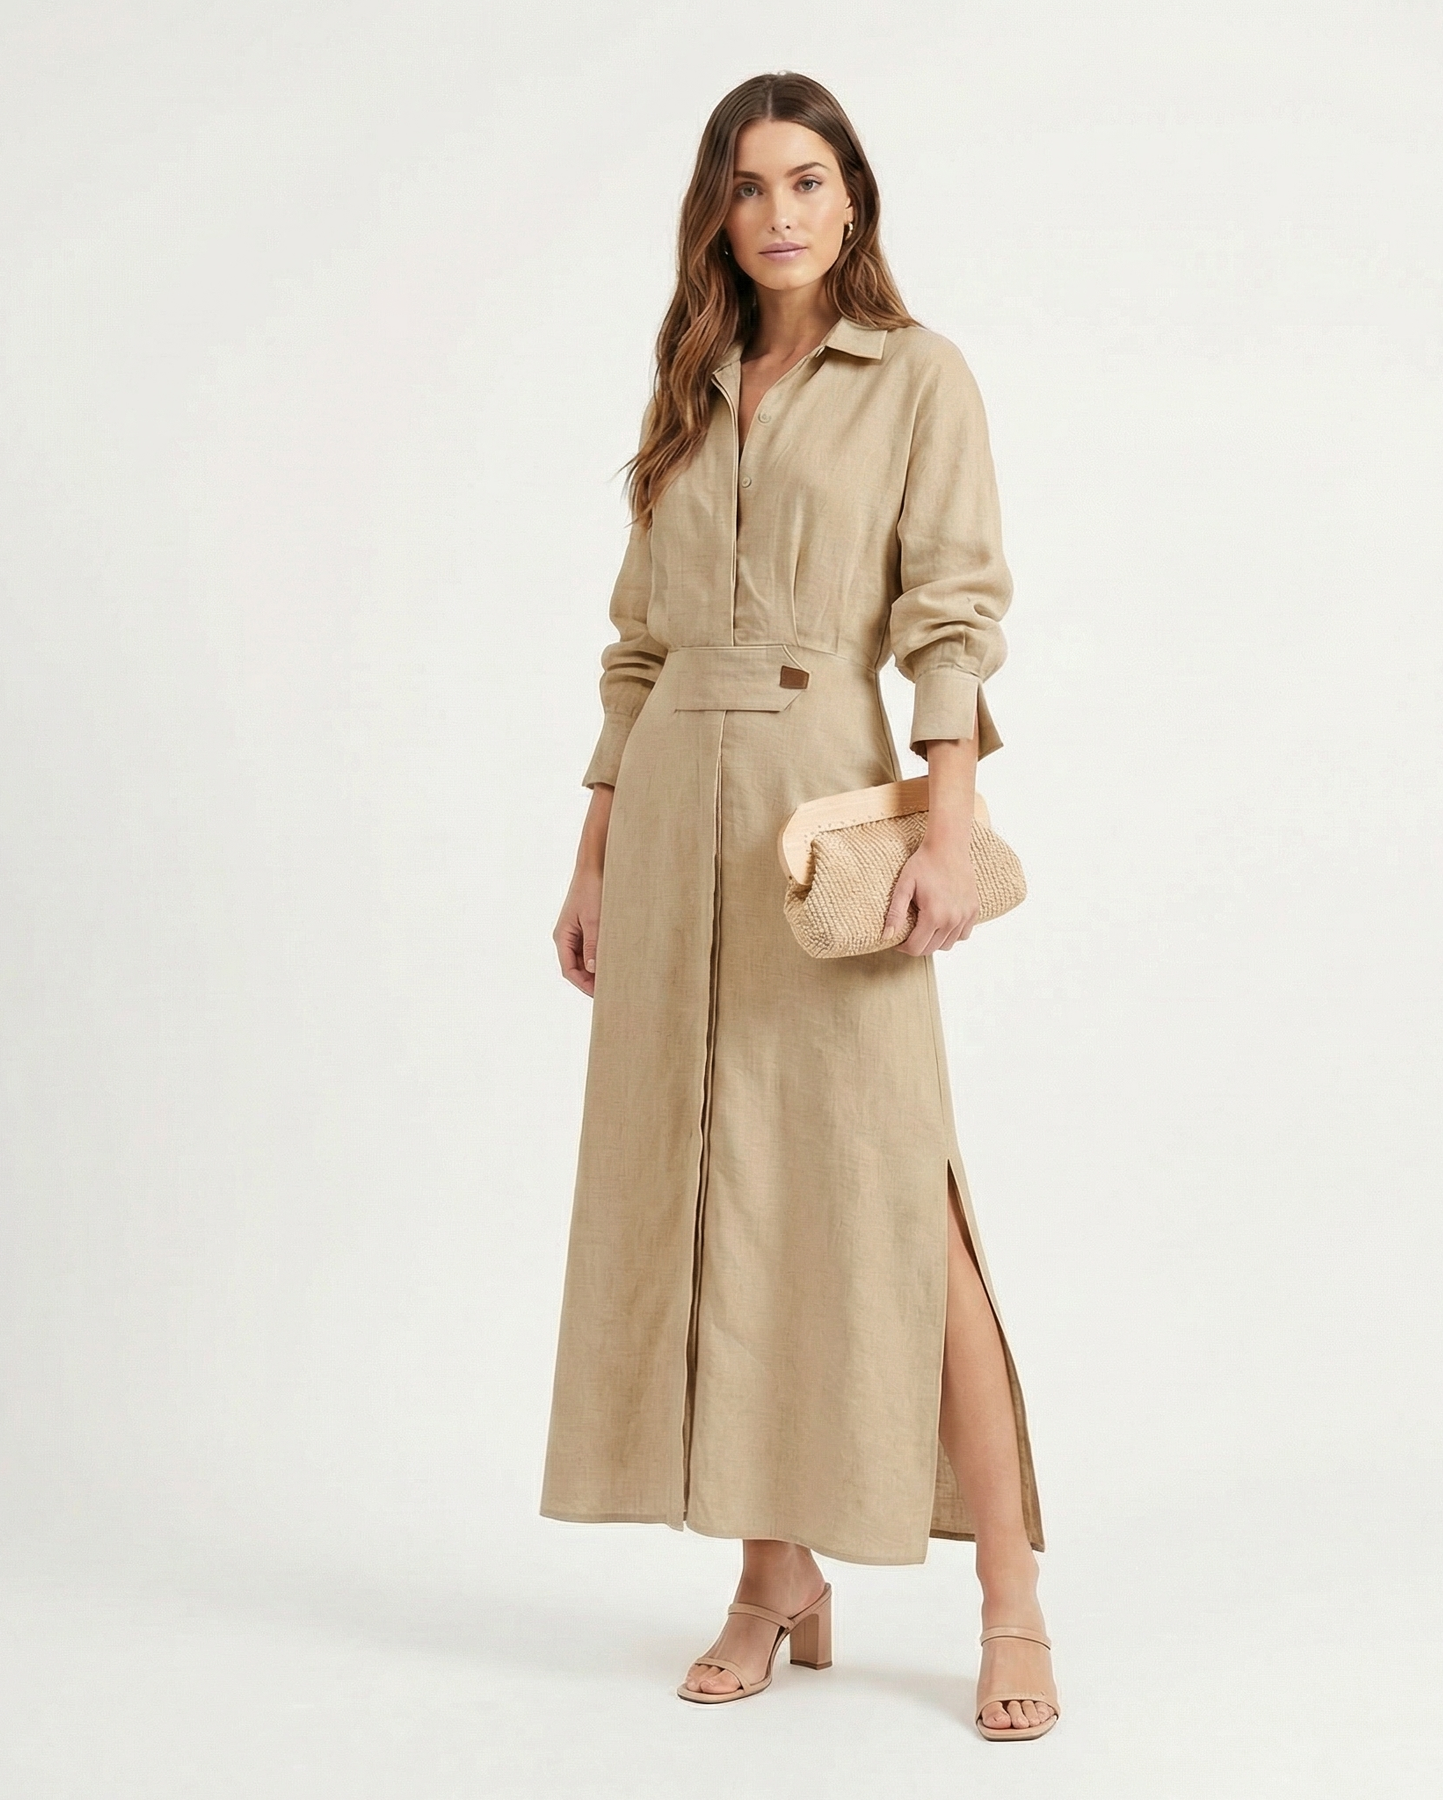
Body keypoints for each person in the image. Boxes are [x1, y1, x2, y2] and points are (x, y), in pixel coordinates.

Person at [542, 70, 1058, 1741]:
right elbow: (636, 646)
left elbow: (951, 618)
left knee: (900, 1196)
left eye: (808, 181)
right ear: (719, 209)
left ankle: (1012, 1600)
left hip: (822, 817)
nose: (779, 213)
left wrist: (945, 830)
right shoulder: (690, 387)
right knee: (720, 1189)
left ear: (853, 201)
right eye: (750, 185)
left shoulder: (916, 376)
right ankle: (776, 1578)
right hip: (671, 812)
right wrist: (594, 854)